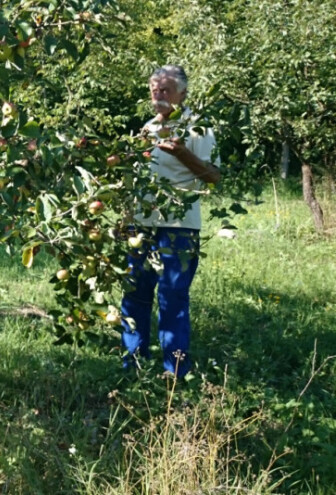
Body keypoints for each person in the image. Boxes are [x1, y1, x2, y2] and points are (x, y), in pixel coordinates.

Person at [120, 65, 222, 378]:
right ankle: (132, 365)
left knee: (172, 297)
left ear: (182, 93)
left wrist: (182, 154)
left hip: (178, 228)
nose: (158, 95)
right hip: (141, 227)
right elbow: (137, 179)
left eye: (165, 90)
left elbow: (214, 177)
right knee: (134, 293)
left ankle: (175, 372)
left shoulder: (197, 129)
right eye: (154, 89)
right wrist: (126, 219)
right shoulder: (149, 128)